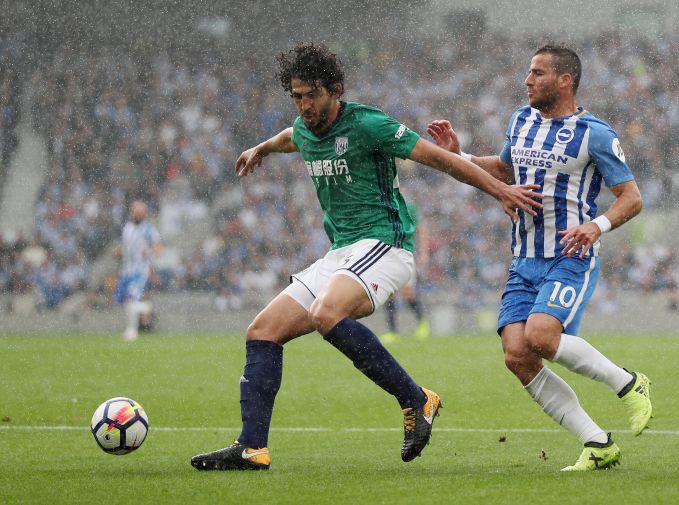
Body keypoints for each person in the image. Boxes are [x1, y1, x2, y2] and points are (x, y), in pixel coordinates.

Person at [191, 43, 543, 471]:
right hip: (341, 253)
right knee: (262, 331)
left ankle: (415, 400)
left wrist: (500, 189)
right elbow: (289, 138)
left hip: (385, 246)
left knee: (326, 313)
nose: (304, 106)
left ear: (335, 89)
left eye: (312, 95)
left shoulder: (369, 124)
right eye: (296, 96)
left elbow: (441, 160)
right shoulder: (303, 128)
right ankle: (251, 448)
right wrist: (260, 148)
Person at [427, 44, 653, 471]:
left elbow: (632, 198)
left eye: (538, 73)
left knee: (542, 337)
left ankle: (629, 383)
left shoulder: (595, 133)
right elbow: (508, 170)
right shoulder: (521, 119)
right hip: (523, 258)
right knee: (517, 354)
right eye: (529, 73)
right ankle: (597, 442)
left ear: (565, 80)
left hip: (569, 255)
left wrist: (595, 226)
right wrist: (460, 155)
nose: (527, 81)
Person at [381, 201, 431, 343]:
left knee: (408, 294)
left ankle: (422, 323)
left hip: (405, 254)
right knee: (389, 295)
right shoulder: (382, 204)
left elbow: (421, 230)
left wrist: (424, 253)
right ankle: (392, 331)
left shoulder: (407, 206)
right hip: (386, 255)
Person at [114, 200, 161, 342]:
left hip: (140, 271)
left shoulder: (149, 230)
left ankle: (132, 331)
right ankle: (146, 307)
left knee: (131, 298)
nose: (137, 214)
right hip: (126, 270)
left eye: (140, 212)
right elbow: (126, 247)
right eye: (135, 211)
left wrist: (150, 251)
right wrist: (119, 251)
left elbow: (159, 249)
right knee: (124, 301)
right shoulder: (127, 228)